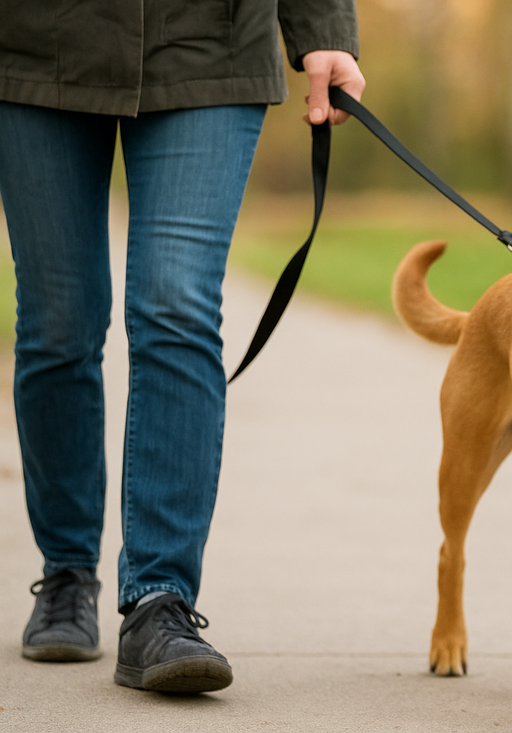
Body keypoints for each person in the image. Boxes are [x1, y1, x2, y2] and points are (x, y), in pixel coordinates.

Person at [0, 0, 365, 693]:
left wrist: (323, 34)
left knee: (177, 305)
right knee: (58, 321)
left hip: (212, 39)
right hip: (32, 40)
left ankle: (158, 599)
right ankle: (66, 574)